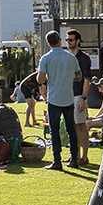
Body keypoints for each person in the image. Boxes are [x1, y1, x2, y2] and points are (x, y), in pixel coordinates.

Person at [38, 30, 80, 170]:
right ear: (60, 40)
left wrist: (47, 78)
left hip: (54, 98)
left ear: (48, 43)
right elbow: (79, 76)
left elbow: (41, 79)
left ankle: (57, 161)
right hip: (68, 97)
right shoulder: (71, 57)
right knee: (71, 130)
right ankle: (74, 159)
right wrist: (67, 78)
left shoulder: (46, 58)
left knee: (54, 131)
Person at [66, 28, 92, 165]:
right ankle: (75, 155)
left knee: (81, 126)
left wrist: (83, 98)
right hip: (68, 96)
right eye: (67, 40)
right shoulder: (68, 57)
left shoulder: (84, 58)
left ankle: (84, 156)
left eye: (70, 40)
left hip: (78, 95)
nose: (68, 42)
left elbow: (87, 79)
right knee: (73, 127)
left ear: (77, 41)